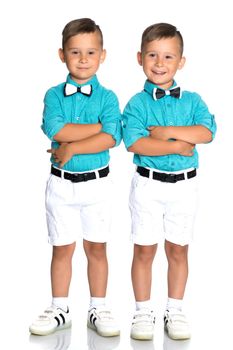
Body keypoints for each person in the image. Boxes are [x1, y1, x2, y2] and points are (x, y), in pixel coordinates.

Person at [122, 22, 216, 341]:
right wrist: (176, 143)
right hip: (147, 186)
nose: (159, 64)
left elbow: (207, 132)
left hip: (184, 187)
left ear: (180, 62)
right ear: (140, 58)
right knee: (144, 249)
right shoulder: (136, 104)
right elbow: (136, 143)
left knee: (178, 249)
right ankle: (143, 311)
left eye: (168, 57)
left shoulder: (192, 101)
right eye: (152, 55)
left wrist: (167, 131)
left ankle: (174, 310)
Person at [29, 18, 121, 337]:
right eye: (75, 52)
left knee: (97, 247)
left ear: (102, 55)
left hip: (97, 185)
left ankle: (98, 306)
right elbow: (57, 129)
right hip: (61, 186)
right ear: (62, 54)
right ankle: (60, 308)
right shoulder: (54, 95)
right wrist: (97, 129)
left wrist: (71, 148)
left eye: (91, 52)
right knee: (62, 248)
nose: (83, 59)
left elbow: (113, 138)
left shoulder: (107, 97)